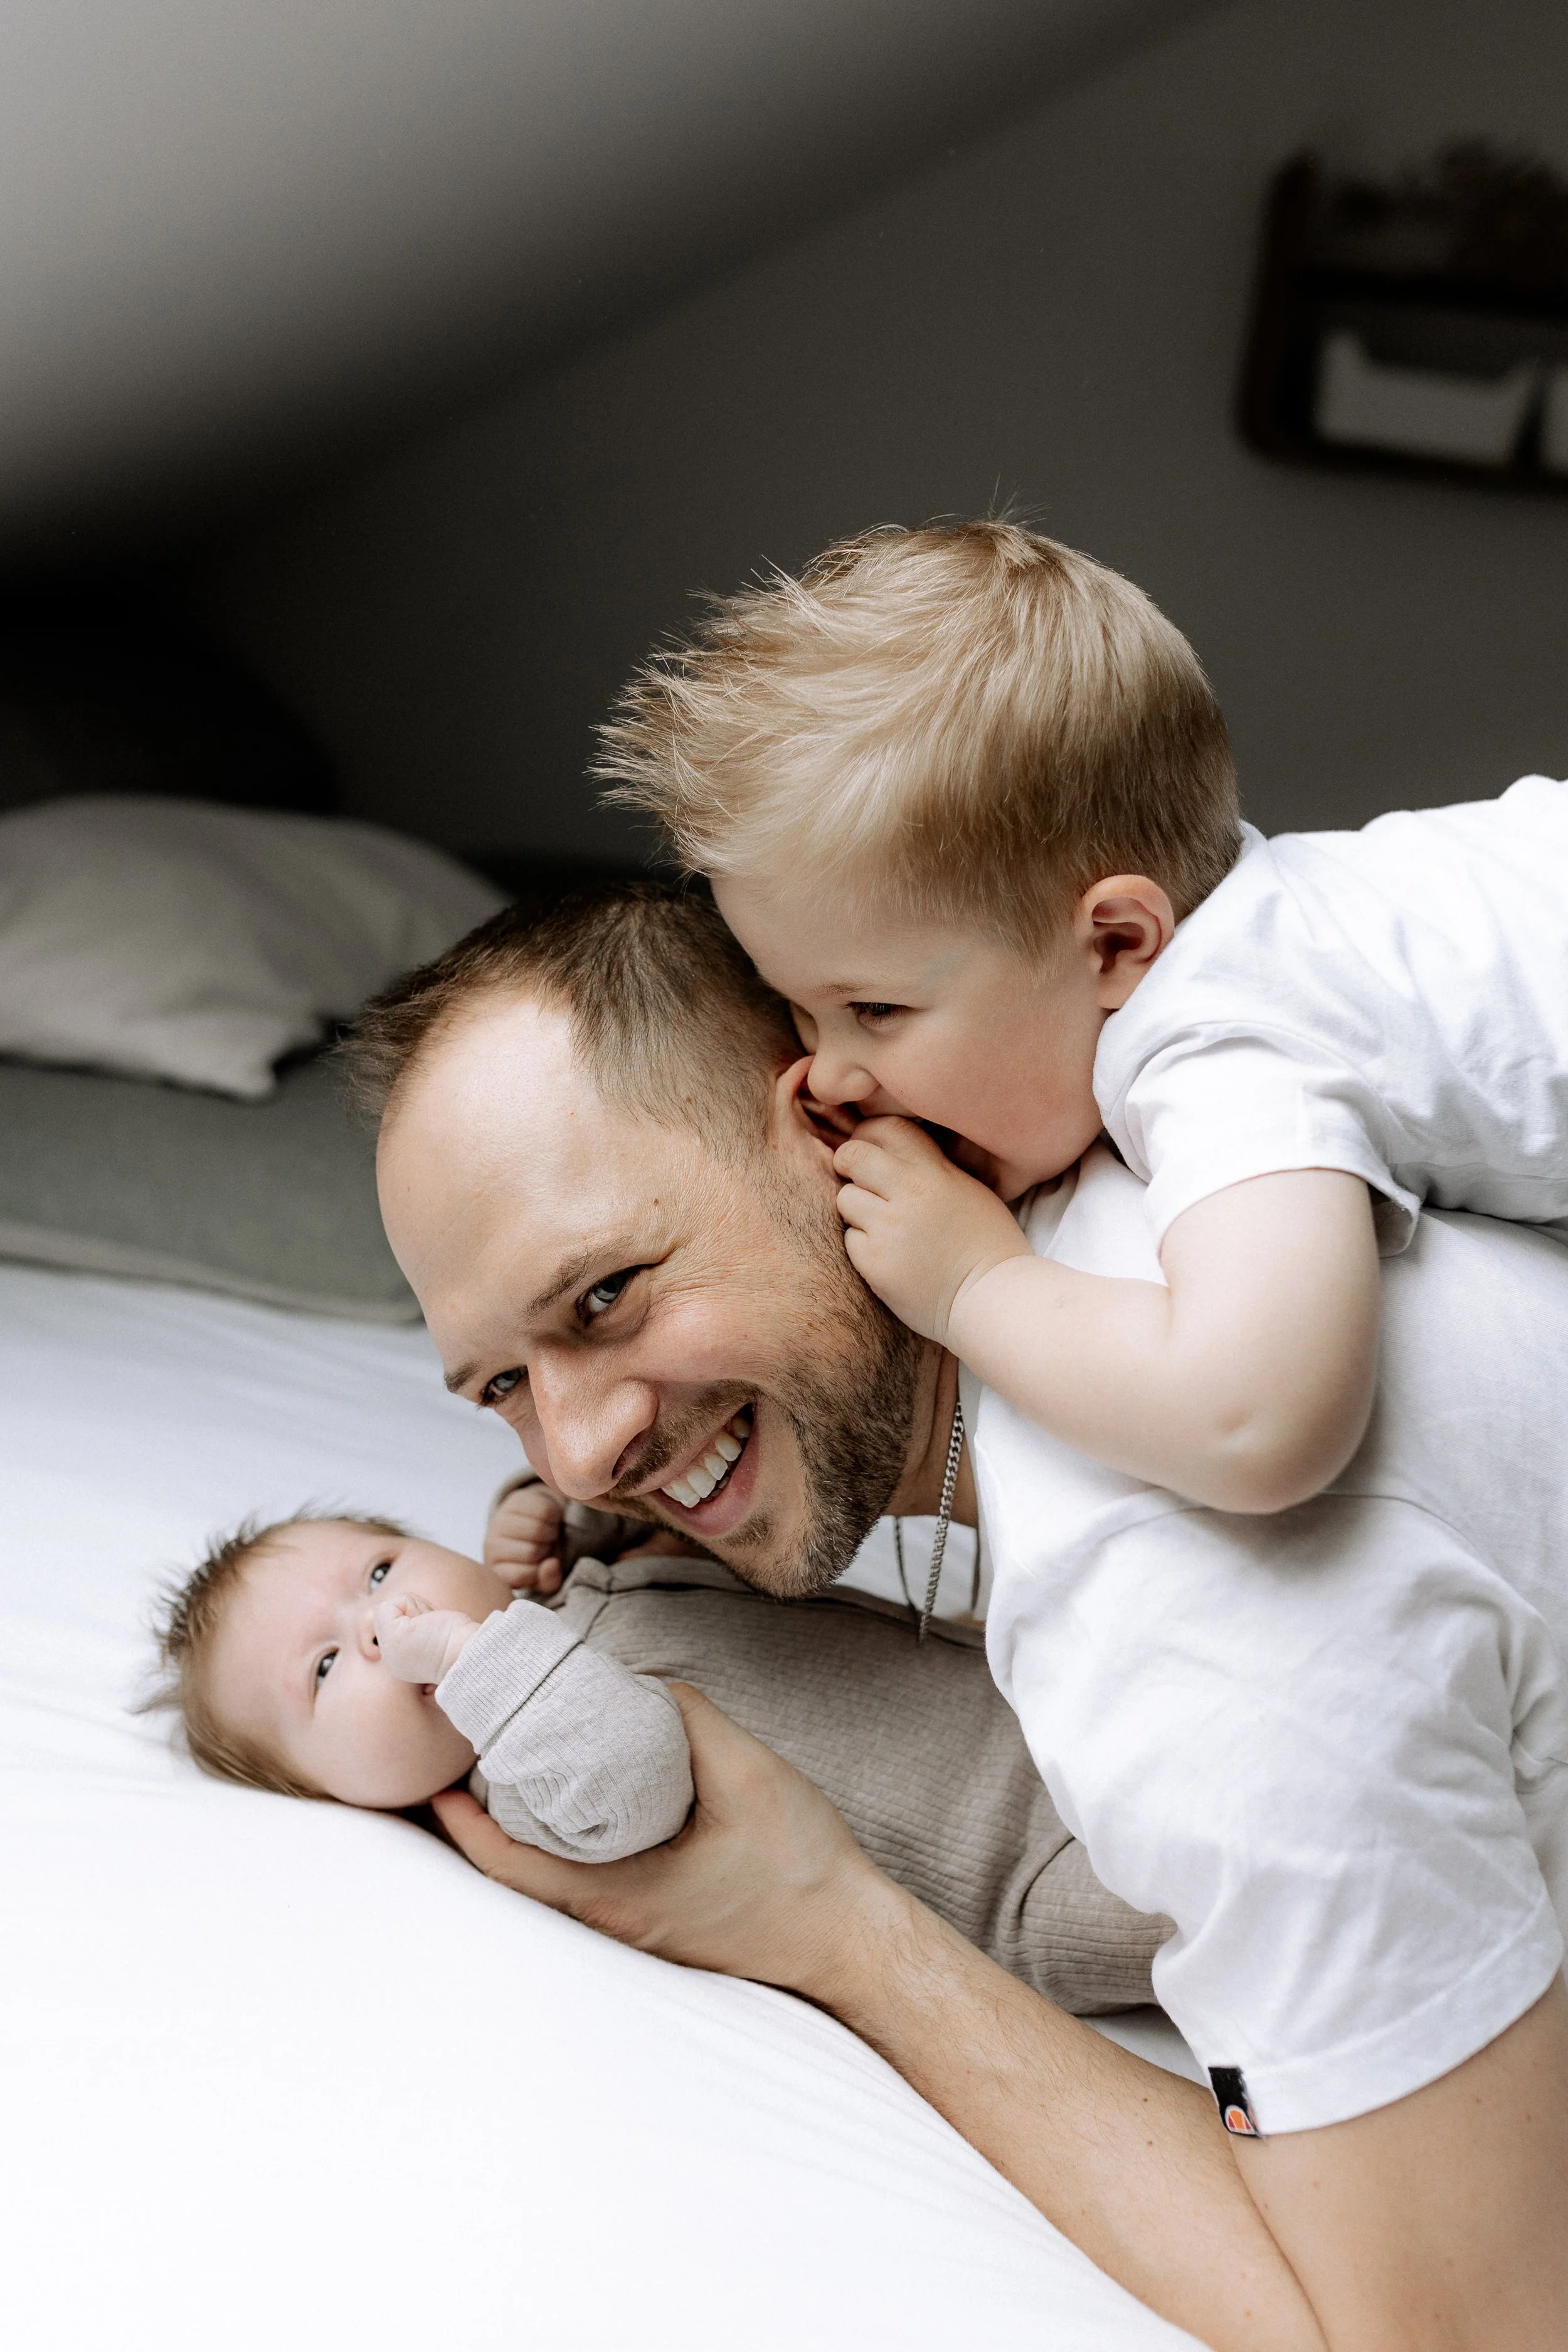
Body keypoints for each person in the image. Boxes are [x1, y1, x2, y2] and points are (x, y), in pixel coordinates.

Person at [346, 879, 1568, 2351]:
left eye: (605, 1297)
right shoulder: (1178, 1195)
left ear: (834, 1128)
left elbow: (1447, 2331)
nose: (577, 1450)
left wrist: (834, 1929)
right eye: (502, 1387)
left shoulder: (1181, 1605)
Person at [595, 519, 1568, 1520]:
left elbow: (1258, 1425)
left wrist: (974, 1283)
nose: (833, 1072)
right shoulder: (1282, 927)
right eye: (798, 1010)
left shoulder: (1231, 1039)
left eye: (874, 1008)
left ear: (1113, 943)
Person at [151, 1490, 1169, 2013]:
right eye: (327, 1668)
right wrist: (468, 1654)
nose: (384, 1622)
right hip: (1029, 1878)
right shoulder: (522, 1783)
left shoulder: (559, 1607)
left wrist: (553, 1516)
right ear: (332, 1796)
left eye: (378, 1569)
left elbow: (654, 1530)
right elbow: (634, 1770)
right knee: (1267, 1896)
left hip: (1043, 1705)